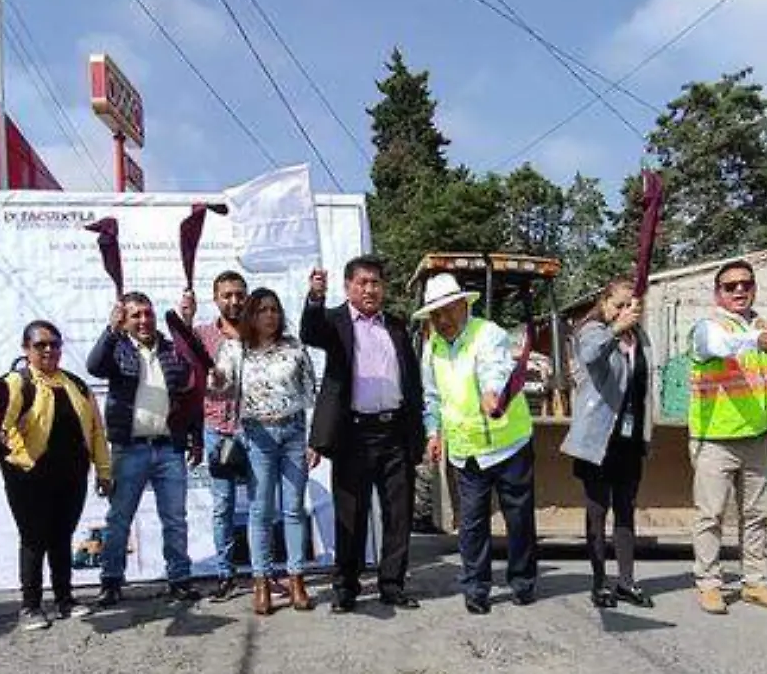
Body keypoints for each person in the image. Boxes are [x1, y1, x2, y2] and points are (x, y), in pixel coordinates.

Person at [301, 257, 426, 614]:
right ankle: (346, 588)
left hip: (395, 433)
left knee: (398, 515)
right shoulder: (334, 321)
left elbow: (412, 382)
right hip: (353, 434)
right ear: (348, 287)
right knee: (350, 515)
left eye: (376, 283)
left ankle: (392, 584)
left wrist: (420, 430)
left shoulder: (398, 327)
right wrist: (314, 297)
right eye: (362, 283)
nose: (370, 290)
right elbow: (310, 331)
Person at [418, 273, 539, 615]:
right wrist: (433, 433)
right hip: (466, 450)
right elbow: (432, 398)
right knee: (471, 524)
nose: (441, 320)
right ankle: (476, 587)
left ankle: (522, 582)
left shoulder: (488, 334)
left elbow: (495, 368)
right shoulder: (432, 349)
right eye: (434, 315)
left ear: (462, 305)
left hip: (508, 445)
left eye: (446, 311)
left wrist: (491, 393)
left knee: (518, 519)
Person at [0, 321, 112, 630]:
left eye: (54, 344)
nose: (48, 350)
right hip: (27, 475)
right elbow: (0, 416)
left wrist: (104, 470)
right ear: (26, 349)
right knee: (33, 539)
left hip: (71, 475)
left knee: (61, 537)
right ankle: (30, 606)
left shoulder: (76, 385)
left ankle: (65, 600)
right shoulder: (15, 383)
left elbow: (96, 431)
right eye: (40, 344)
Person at [686, 259, 767, 615]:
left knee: (758, 515)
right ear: (718, 293)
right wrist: (756, 339)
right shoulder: (707, 327)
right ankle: (709, 583)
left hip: (759, 438)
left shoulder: (766, 327)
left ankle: (755, 582)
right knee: (710, 515)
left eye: (746, 284)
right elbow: (720, 346)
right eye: (730, 286)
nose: (740, 290)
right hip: (715, 438)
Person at [87, 292, 201, 607]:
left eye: (148, 314)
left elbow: (190, 394)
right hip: (130, 448)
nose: (144, 320)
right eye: (135, 315)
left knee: (175, 519)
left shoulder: (170, 349)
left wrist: (196, 437)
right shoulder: (118, 349)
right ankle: (111, 581)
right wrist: (111, 330)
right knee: (119, 518)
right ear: (125, 320)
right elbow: (94, 365)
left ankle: (179, 579)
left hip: (169, 447)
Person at [212, 289, 319, 616]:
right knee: (260, 511)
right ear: (250, 316)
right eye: (261, 310)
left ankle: (296, 578)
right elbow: (220, 389)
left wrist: (314, 440)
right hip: (257, 434)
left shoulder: (295, 347)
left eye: (274, 309)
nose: (269, 315)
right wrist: (215, 379)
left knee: (294, 509)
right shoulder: (234, 349)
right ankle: (261, 581)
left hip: (294, 433)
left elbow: (310, 393)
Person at [560, 277, 653, 610]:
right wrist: (615, 330)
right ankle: (599, 582)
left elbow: (641, 385)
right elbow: (590, 354)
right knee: (598, 512)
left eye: (632, 306)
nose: (626, 312)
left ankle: (626, 581)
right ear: (604, 303)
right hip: (598, 438)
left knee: (626, 511)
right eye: (619, 305)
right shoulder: (593, 331)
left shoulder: (640, 338)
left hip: (629, 439)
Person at [174, 271, 250, 601]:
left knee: (262, 504)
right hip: (217, 428)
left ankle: (263, 573)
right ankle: (225, 575)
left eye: (239, 294)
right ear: (216, 298)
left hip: (257, 429)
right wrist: (185, 320)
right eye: (227, 295)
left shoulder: (258, 332)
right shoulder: (204, 334)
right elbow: (183, 356)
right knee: (223, 506)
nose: (234, 300)